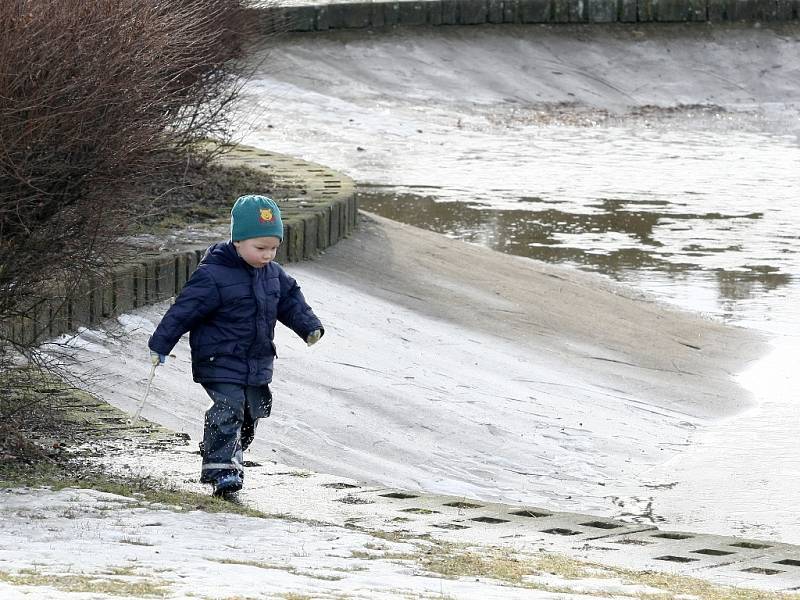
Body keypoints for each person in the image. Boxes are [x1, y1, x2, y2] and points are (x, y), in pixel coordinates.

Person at [147, 194, 324, 497]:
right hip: (219, 359)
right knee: (229, 407)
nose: (268, 255)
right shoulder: (213, 275)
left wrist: (308, 327)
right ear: (238, 241)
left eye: (273, 248)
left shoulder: (273, 275)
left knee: (253, 412)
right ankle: (222, 469)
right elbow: (183, 310)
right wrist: (161, 344)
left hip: (256, 360)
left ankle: (223, 447)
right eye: (260, 248)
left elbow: (291, 300)